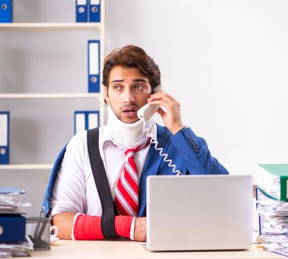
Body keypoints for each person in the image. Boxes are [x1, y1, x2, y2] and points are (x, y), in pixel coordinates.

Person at [45, 45, 228, 242]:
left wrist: (177, 128)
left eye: (138, 87)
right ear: (106, 94)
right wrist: (130, 227)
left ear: (155, 93)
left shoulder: (177, 144)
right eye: (118, 87)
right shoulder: (82, 145)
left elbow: (222, 196)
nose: (128, 98)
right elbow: (60, 222)